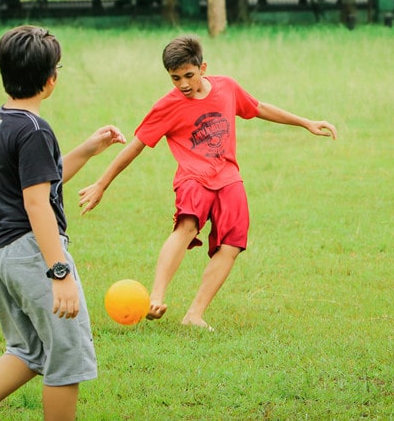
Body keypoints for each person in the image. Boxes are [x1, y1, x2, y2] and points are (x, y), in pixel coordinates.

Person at [77, 35, 337, 330]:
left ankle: (194, 315)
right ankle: (157, 297)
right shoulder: (167, 106)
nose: (184, 84)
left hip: (228, 178)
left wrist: (306, 122)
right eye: (175, 78)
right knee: (186, 226)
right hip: (193, 178)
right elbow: (135, 146)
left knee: (233, 244)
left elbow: (258, 107)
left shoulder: (227, 87)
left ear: (203, 67)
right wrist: (101, 184)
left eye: (189, 75)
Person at [0, 25, 127, 421]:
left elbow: (42, 178)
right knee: (67, 356)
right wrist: (59, 272)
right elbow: (37, 202)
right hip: (29, 254)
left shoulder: (3, 121)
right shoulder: (36, 131)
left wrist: (89, 150)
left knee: (29, 350)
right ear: (50, 80)